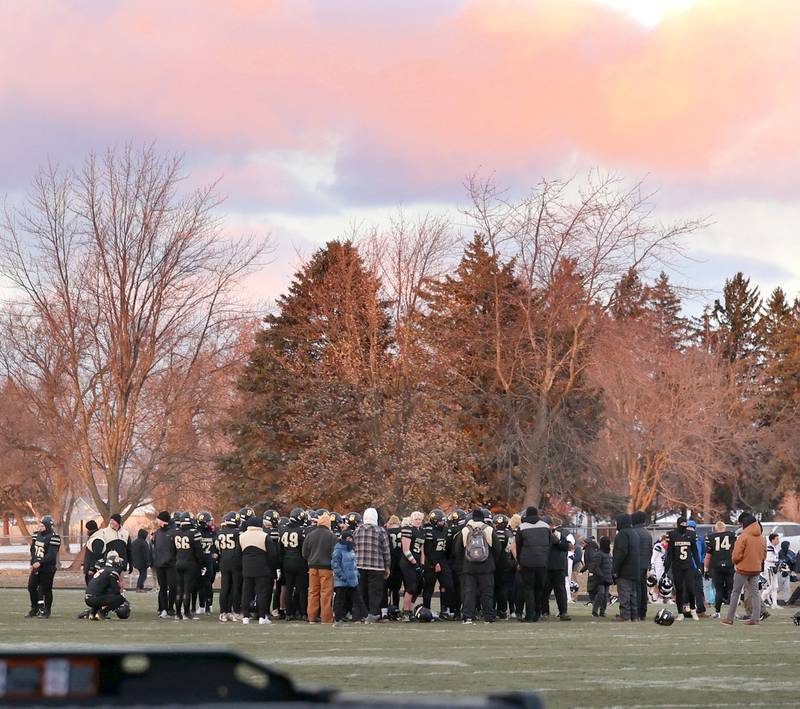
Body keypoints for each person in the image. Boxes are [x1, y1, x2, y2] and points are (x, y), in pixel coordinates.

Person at [453, 509, 501, 624]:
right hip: (486, 566)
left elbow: (457, 549)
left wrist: (462, 564)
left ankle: (468, 616)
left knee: (469, 592)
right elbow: (497, 548)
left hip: (469, 566)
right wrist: (493, 561)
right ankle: (488, 616)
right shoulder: (488, 529)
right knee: (487, 592)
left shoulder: (465, 530)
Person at [722, 512, 766, 626]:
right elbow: (764, 554)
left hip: (742, 569)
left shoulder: (744, 536)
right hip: (756, 569)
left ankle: (729, 618)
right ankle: (755, 618)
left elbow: (736, 554)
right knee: (755, 593)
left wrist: (735, 561)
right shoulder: (761, 537)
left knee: (735, 592)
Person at [354, 507, 391, 622]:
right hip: (376, 566)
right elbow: (386, 550)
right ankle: (373, 614)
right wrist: (387, 566)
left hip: (359, 566)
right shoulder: (380, 531)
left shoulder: (357, 530)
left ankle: (360, 615)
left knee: (361, 591)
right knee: (375, 592)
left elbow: (353, 548)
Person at [240, 515, 279, 625]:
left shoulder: (242, 536)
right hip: (262, 567)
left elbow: (238, 553)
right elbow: (272, 554)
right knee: (262, 592)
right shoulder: (264, 536)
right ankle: (262, 616)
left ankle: (246, 617)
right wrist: (271, 567)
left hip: (247, 568)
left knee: (246, 592)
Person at [514, 506, 551, 622]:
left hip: (527, 562)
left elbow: (518, 545)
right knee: (539, 588)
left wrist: (519, 561)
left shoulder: (522, 527)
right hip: (542, 562)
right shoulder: (545, 526)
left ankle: (530, 614)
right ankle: (538, 613)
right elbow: (549, 542)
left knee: (528, 588)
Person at [302, 510, 335, 624]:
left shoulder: (310, 535)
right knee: (326, 593)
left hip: (312, 567)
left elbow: (304, 553)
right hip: (326, 568)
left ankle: (311, 617)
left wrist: (310, 560)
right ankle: (326, 618)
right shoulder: (331, 536)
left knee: (312, 593)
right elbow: (334, 554)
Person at [665, 517, 701, 620]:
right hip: (677, 566)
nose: (683, 525)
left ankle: (693, 609)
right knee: (679, 589)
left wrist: (698, 566)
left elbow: (694, 552)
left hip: (688, 565)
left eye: (685, 523)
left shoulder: (691, 534)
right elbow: (670, 553)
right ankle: (680, 612)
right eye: (682, 523)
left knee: (690, 588)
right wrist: (666, 568)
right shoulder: (672, 534)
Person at [27, 515, 61, 618]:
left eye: (42, 526)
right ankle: (35, 608)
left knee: (46, 589)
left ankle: (47, 610)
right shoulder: (36, 535)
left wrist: (40, 562)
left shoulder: (54, 537)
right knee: (31, 587)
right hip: (36, 566)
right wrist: (32, 563)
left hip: (48, 567)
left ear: (48, 526)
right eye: (40, 525)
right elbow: (33, 550)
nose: (40, 527)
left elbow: (51, 555)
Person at [332, 528, 368, 626]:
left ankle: (365, 615)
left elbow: (354, 564)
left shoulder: (351, 550)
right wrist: (342, 576)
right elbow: (335, 565)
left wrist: (356, 573)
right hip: (342, 581)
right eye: (348, 539)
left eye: (351, 538)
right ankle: (338, 619)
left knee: (358, 598)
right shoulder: (338, 551)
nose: (350, 541)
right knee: (340, 600)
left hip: (352, 579)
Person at [279, 508, 309, 621]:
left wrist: (281, 563)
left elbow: (280, 549)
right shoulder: (302, 530)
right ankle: (303, 613)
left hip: (287, 562)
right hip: (299, 562)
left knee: (288, 588)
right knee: (302, 589)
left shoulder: (283, 529)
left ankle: (288, 613)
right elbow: (304, 549)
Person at [174, 512, 204, 621]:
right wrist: (201, 563)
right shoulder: (194, 533)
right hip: (190, 563)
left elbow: (172, 550)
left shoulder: (175, 532)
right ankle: (186, 613)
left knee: (179, 589)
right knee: (187, 589)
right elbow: (199, 552)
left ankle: (178, 613)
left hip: (178, 562)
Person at [611, 513, 640, 622]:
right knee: (633, 594)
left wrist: (614, 569)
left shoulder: (622, 535)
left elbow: (621, 553)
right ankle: (634, 616)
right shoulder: (634, 534)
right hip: (634, 569)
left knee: (624, 593)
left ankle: (625, 615)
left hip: (625, 570)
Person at [705, 520, 736, 618]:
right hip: (730, 566)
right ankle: (733, 613)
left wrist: (705, 569)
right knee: (731, 590)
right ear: (725, 528)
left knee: (719, 590)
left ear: (715, 529)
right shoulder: (732, 535)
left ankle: (717, 612)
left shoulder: (711, 537)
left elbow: (708, 556)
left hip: (716, 566)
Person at [399, 511, 426, 622]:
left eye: (420, 519)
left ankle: (409, 610)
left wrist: (422, 564)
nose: (418, 521)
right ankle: (406, 613)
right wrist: (414, 563)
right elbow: (406, 550)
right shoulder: (408, 530)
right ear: (411, 520)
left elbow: (422, 550)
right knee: (411, 587)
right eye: (416, 519)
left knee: (418, 587)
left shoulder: (422, 531)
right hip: (407, 562)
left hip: (417, 561)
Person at [84, 550, 127, 620]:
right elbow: (116, 590)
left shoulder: (103, 569)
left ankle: (92, 613)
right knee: (120, 599)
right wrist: (119, 586)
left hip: (88, 598)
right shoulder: (112, 572)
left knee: (100, 594)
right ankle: (101, 613)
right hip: (94, 599)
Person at [217, 511, 243, 622]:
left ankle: (223, 612)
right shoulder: (238, 533)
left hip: (224, 561)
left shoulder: (220, 533)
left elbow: (218, 548)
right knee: (235, 588)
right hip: (235, 562)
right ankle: (235, 611)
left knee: (224, 588)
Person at [544, 517, 571, 621]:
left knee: (560, 591)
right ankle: (545, 611)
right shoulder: (542, 535)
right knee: (545, 591)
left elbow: (566, 546)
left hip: (558, 567)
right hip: (547, 566)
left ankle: (563, 612)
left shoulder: (559, 534)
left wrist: (556, 539)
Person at [151, 510, 177, 618]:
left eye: (159, 519)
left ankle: (171, 608)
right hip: (160, 564)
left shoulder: (174, 531)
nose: (157, 521)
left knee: (172, 587)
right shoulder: (157, 533)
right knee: (162, 588)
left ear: (164, 520)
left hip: (171, 564)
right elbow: (156, 546)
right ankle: (164, 609)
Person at [631, 511, 652, 620]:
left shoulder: (634, 532)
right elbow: (650, 550)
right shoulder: (647, 533)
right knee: (643, 588)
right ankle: (643, 611)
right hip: (644, 564)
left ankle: (637, 611)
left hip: (636, 564)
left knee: (636, 589)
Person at [686, 520, 708, 616]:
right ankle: (685, 609)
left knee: (699, 588)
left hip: (696, 566)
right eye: (688, 527)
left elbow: (704, 552)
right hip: (686, 566)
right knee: (686, 588)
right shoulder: (683, 538)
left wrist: (702, 563)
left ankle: (700, 610)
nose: (689, 529)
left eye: (691, 527)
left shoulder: (699, 539)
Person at [590, 536, 613, 618]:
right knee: (601, 594)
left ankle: (602, 611)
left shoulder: (608, 554)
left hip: (607, 578)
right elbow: (596, 566)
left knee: (605, 595)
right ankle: (595, 611)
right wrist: (601, 575)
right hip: (600, 579)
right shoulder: (599, 554)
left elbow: (610, 565)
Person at [385, 515, 403, 609]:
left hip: (389, 560)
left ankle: (386, 608)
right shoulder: (402, 531)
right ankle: (395, 607)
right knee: (396, 589)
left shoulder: (386, 532)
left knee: (386, 586)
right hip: (400, 561)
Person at [763, 533, 780, 609]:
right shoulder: (769, 547)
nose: (778, 541)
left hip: (773, 568)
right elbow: (768, 558)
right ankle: (760, 601)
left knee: (775, 587)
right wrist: (777, 560)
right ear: (772, 539)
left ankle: (774, 604)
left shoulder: (774, 547)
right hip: (769, 568)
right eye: (777, 539)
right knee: (770, 586)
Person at [82, 520, 101, 585]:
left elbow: (96, 555)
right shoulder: (93, 538)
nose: (87, 531)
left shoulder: (97, 539)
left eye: (88, 529)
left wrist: (92, 568)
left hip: (93, 571)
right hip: (90, 569)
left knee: (92, 590)